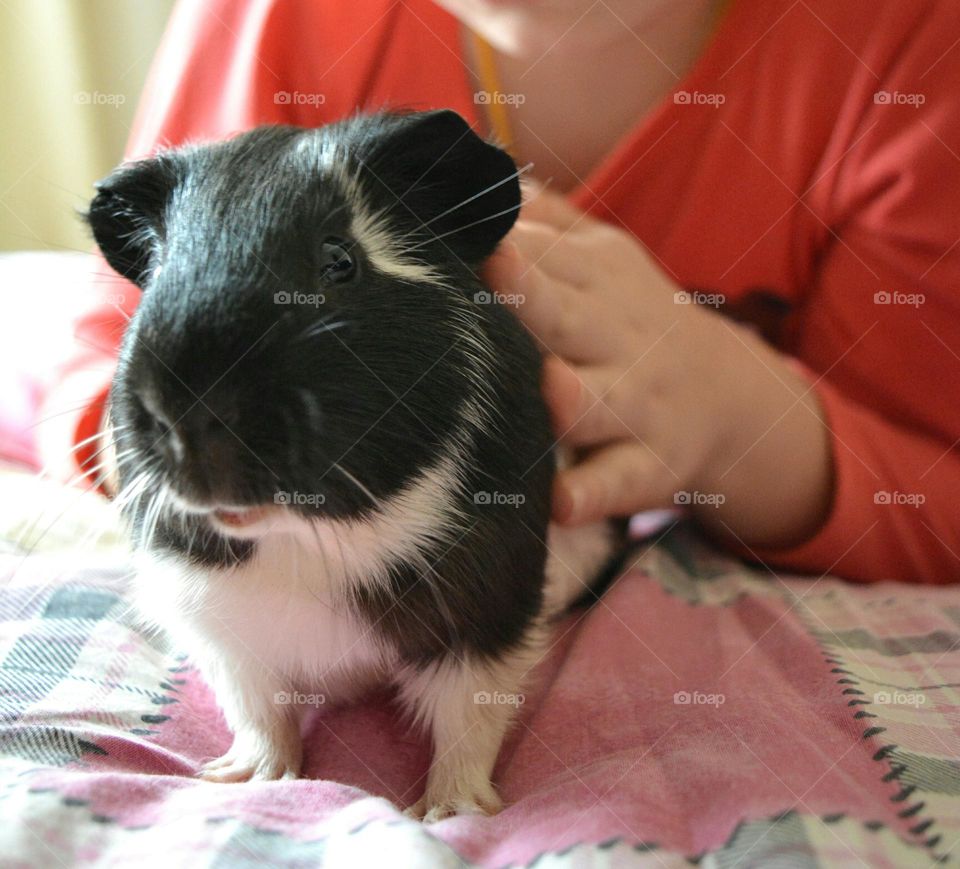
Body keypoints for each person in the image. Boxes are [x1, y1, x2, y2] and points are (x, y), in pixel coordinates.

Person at [39, 0, 960, 584]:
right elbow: (92, 359)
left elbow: (932, 491)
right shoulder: (271, 16)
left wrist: (739, 414)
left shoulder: (914, 55)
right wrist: (181, 451)